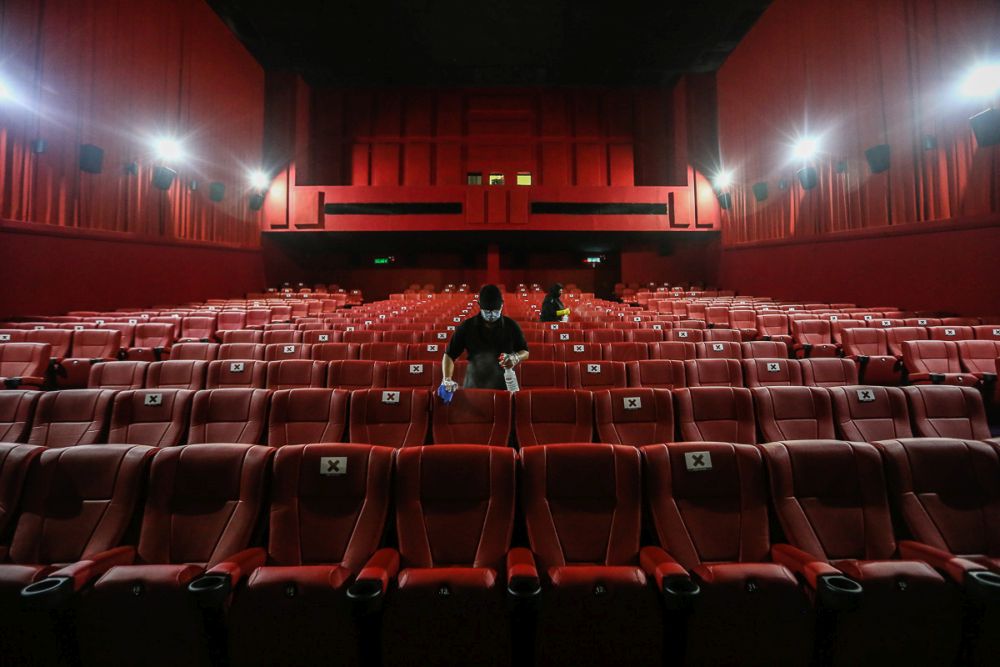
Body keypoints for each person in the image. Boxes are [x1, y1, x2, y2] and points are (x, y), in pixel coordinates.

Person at [441, 284, 529, 390]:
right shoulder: (466, 327)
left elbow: (525, 352)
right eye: (487, 311)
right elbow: (449, 355)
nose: (491, 315)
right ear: (479, 305)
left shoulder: (511, 326)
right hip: (474, 383)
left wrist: (515, 357)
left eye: (495, 311)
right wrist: (447, 379)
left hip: (504, 383)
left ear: (502, 305)